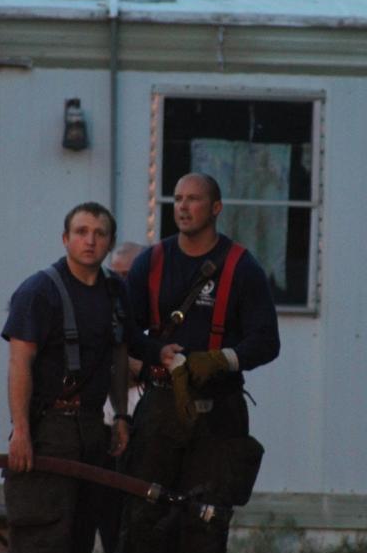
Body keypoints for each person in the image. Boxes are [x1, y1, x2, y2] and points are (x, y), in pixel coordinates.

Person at [121, 172, 281, 553]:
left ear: (216, 208)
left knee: (205, 526)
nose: (183, 207)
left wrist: (223, 359)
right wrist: (154, 352)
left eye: (193, 199)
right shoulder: (152, 262)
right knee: (143, 521)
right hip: (161, 407)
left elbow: (267, 341)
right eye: (177, 199)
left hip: (219, 413)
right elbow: (124, 329)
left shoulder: (242, 267)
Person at [2, 202, 135, 553]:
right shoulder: (38, 292)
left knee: (81, 536)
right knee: (42, 536)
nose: (90, 241)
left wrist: (120, 414)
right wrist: (21, 431)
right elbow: (19, 364)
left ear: (110, 242)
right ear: (65, 239)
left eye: (99, 233)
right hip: (48, 429)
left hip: (93, 428)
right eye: (81, 232)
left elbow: (119, 354)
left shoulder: (116, 292)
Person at [95, 242, 147, 553]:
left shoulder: (155, 315)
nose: (120, 282)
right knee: (110, 525)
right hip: (107, 432)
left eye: (128, 275)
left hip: (146, 435)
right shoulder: (103, 312)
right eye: (116, 274)